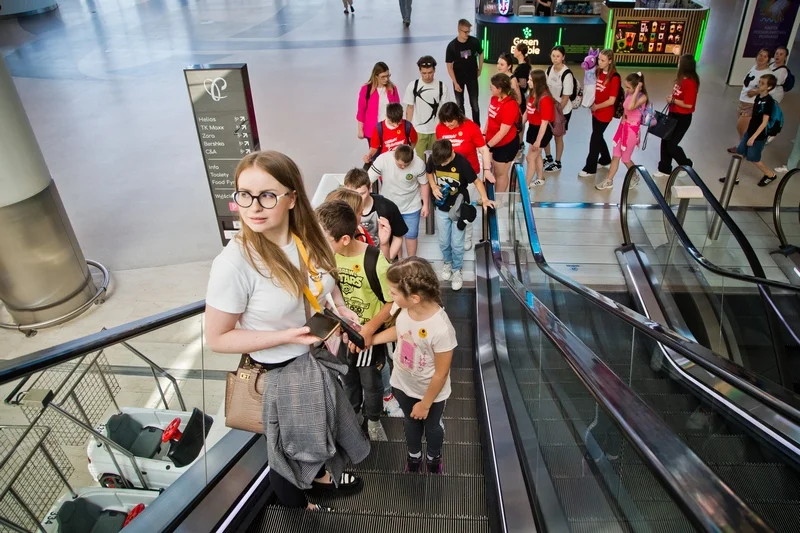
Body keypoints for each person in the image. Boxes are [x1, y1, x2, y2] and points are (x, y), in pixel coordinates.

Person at [204, 151, 364, 511]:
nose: (254, 207)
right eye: (244, 194)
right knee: (284, 447)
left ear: (292, 198)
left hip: (314, 356)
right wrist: (286, 336)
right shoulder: (234, 265)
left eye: (267, 195)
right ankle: (297, 504)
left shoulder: (306, 237)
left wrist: (338, 310)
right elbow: (217, 338)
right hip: (279, 370)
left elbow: (321, 283)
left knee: (316, 428)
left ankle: (319, 476)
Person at [316, 200, 395, 442]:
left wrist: (370, 329)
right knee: (347, 378)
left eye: (325, 238)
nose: (319, 243)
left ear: (344, 239)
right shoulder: (329, 257)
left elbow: (392, 302)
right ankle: (352, 419)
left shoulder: (375, 260)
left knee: (371, 383)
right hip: (342, 332)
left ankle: (373, 420)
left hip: (367, 336)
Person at [370, 257, 457, 474]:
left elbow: (441, 372)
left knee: (432, 426)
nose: (391, 296)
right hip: (403, 382)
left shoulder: (441, 329)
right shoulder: (403, 310)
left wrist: (426, 404)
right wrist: (371, 340)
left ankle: (433, 457)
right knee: (410, 423)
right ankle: (414, 456)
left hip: (431, 393)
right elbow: (400, 332)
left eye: (394, 293)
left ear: (415, 298)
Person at [427, 139, 496, 290]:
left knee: (457, 243)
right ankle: (447, 263)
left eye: (444, 162)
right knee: (444, 240)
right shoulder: (435, 158)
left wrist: (484, 199)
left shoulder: (462, 163)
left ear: (451, 153)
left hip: (459, 208)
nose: (442, 165)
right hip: (442, 206)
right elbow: (429, 173)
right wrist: (433, 187)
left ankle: (457, 269)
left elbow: (477, 182)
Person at [436, 102, 496, 251]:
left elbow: (483, 149)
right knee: (448, 207)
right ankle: (450, 236)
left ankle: (466, 236)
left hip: (469, 175)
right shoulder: (440, 128)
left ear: (458, 116)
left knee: (464, 208)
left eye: (451, 121)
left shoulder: (470, 127)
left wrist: (487, 170)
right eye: (444, 121)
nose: (447, 124)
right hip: (448, 176)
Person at [368, 145, 429, 257]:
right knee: (394, 234)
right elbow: (368, 180)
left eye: (405, 165)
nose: (402, 167)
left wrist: (425, 205)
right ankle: (399, 260)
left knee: (411, 235)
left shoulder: (419, 163)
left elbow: (424, 184)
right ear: (394, 156)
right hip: (390, 206)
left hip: (411, 205)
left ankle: (411, 260)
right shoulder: (383, 159)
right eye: (399, 164)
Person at [724, 74, 779, 187]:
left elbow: (764, 122)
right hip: (750, 131)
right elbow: (756, 112)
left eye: (762, 83)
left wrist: (753, 137)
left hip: (758, 136)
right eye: (760, 82)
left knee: (754, 158)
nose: (759, 84)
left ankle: (770, 175)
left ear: (769, 87)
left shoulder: (769, 102)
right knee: (740, 152)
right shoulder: (759, 97)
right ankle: (735, 177)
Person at [596, 72, 649, 191]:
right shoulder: (628, 93)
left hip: (631, 131)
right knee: (615, 156)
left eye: (629, 87)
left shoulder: (642, 97)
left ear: (637, 87)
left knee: (625, 158)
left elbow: (630, 107)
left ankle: (635, 176)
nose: (626, 89)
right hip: (623, 128)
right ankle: (609, 180)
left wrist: (636, 92)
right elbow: (626, 111)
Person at [344, 168, 408, 261]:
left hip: (381, 256)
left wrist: (388, 259)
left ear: (370, 187)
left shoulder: (387, 207)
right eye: (352, 194)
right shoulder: (341, 208)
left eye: (362, 194)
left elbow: (398, 236)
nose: (357, 199)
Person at [654, 54, 698, 177]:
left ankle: (686, 164)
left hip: (682, 117)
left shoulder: (690, 83)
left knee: (672, 144)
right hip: (673, 113)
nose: (678, 63)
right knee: (665, 140)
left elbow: (689, 104)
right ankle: (664, 168)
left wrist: (673, 101)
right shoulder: (680, 79)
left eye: (680, 62)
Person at [579, 49, 619, 178]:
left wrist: (597, 106)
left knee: (595, 138)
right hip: (595, 111)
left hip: (605, 113)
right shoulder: (598, 72)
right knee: (598, 135)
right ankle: (605, 158)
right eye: (599, 60)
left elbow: (611, 100)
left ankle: (590, 168)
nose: (599, 63)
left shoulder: (614, 77)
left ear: (610, 61)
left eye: (603, 60)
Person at [404, 56, 451, 161]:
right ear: (419, 71)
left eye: (430, 72)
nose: (427, 76)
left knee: (435, 160)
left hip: (436, 130)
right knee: (420, 161)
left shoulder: (442, 86)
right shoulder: (413, 86)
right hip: (418, 131)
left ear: (434, 70)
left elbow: (446, 109)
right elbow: (410, 108)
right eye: (424, 73)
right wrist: (407, 129)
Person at [729, 49, 772, 153]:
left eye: (765, 56)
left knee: (741, 127)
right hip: (743, 101)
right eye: (760, 55)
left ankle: (743, 149)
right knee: (742, 128)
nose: (761, 58)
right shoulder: (754, 68)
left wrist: (754, 92)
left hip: (752, 104)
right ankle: (741, 146)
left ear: (768, 60)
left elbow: (768, 88)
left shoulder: (768, 73)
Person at [485, 73, 521, 193]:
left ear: (499, 89)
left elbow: (503, 132)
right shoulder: (494, 98)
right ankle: (490, 196)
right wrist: (484, 135)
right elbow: (489, 118)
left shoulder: (510, 105)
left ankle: (499, 199)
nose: (490, 89)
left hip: (505, 145)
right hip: (492, 142)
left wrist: (488, 146)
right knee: (492, 171)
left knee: (501, 174)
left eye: (492, 87)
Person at [543, 46, 575, 172]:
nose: (555, 59)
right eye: (553, 56)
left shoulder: (567, 74)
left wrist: (557, 113)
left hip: (562, 112)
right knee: (545, 134)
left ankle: (558, 162)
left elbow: (565, 98)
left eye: (558, 56)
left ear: (563, 57)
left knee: (558, 136)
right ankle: (548, 157)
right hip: (550, 109)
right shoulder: (549, 69)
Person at [446, 19, 483, 126]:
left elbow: (481, 53)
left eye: (469, 31)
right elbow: (449, 66)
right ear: (459, 30)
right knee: (459, 104)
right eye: (465, 32)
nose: (467, 34)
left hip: (472, 77)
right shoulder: (452, 46)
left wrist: (480, 68)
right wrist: (455, 82)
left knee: (475, 104)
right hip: (458, 79)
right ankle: (462, 125)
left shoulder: (474, 42)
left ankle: (477, 126)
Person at [357, 62, 401, 150]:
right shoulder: (366, 89)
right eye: (383, 77)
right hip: (373, 130)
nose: (386, 79)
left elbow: (397, 109)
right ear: (376, 76)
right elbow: (361, 111)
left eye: (388, 76)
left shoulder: (393, 88)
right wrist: (360, 130)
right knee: (375, 157)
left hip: (390, 129)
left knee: (391, 155)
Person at [525, 70, 555, 188]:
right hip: (533, 128)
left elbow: (544, 123)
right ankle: (540, 177)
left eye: (531, 80)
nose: (528, 82)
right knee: (537, 155)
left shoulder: (545, 99)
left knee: (530, 157)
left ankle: (525, 185)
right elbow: (527, 112)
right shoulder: (532, 94)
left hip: (542, 131)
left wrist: (538, 141)